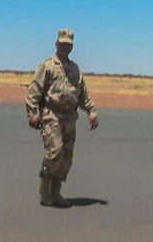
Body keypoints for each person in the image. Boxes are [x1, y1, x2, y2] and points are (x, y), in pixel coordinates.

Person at [25, 28, 98, 208]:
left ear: (72, 47)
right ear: (56, 44)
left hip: (70, 117)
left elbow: (83, 94)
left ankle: (56, 193)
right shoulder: (47, 66)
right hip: (52, 115)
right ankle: (45, 191)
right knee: (55, 152)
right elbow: (33, 91)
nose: (65, 47)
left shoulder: (75, 69)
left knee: (66, 157)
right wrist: (32, 113)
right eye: (62, 44)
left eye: (68, 45)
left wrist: (91, 111)